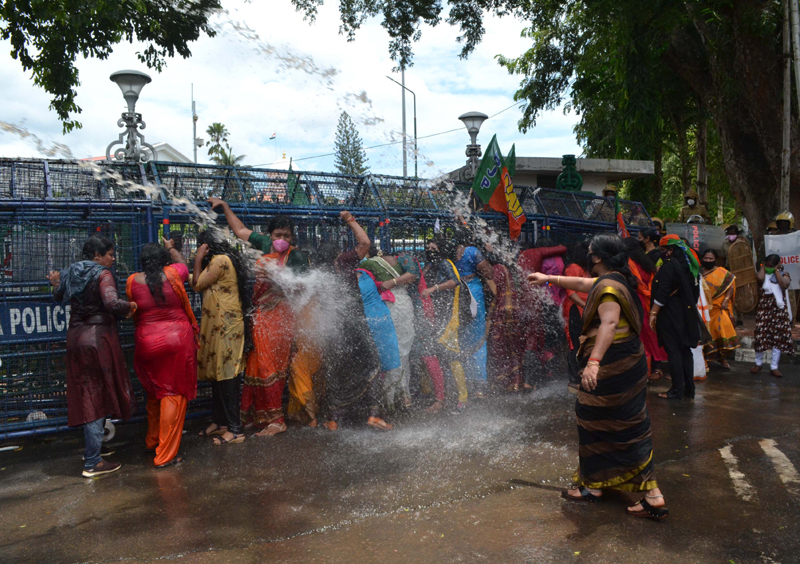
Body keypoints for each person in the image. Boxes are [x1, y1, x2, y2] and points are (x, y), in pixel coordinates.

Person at [528, 234, 669, 520]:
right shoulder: (616, 280)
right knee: (615, 424)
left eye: (590, 252)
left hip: (612, 368)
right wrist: (548, 278)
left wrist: (593, 363)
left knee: (607, 425)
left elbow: (610, 322)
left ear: (597, 258)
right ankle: (595, 484)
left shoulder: (608, 288)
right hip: (626, 365)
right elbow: (584, 284)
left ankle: (647, 494)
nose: (588, 255)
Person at [207, 198, 318, 425]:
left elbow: (303, 287)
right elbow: (239, 230)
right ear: (270, 235)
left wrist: (278, 279)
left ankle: (277, 421)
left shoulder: (295, 256)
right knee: (257, 363)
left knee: (270, 367)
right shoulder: (263, 244)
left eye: (287, 236)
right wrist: (225, 206)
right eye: (278, 235)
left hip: (280, 317)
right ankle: (261, 416)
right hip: (260, 316)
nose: (282, 240)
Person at [47, 236, 136, 477]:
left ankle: (95, 448)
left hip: (75, 336)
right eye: (109, 253)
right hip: (97, 339)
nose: (113, 258)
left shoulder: (70, 272)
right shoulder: (102, 274)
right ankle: (93, 461)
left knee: (89, 391)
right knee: (96, 395)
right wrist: (131, 307)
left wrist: (56, 283)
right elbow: (111, 302)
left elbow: (58, 297)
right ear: (97, 256)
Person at [314, 211, 392, 431]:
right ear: (337, 254)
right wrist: (350, 220)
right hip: (355, 324)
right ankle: (374, 414)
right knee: (372, 365)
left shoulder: (317, 273)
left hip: (334, 329)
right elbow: (365, 242)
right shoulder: (343, 261)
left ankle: (334, 419)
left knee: (337, 370)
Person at [126, 241, 197, 467]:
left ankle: (152, 441)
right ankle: (165, 454)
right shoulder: (174, 273)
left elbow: (133, 308)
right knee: (172, 394)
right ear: (165, 259)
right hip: (177, 341)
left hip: (147, 342)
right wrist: (172, 248)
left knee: (154, 391)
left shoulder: (131, 281)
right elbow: (184, 265)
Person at [192, 229, 248, 446]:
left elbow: (197, 284)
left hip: (226, 327)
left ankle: (235, 430)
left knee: (228, 377)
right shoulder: (219, 261)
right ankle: (221, 422)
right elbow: (197, 279)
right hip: (219, 327)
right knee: (218, 375)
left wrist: (197, 258)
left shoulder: (221, 260)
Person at [361, 248, 417, 409]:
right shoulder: (401, 260)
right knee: (403, 351)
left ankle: (389, 398)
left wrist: (386, 284)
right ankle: (405, 396)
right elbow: (413, 276)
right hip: (405, 305)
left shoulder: (368, 263)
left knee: (390, 351)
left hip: (388, 306)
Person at [650, 235, 702, 400]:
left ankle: (676, 391)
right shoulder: (690, 267)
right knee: (685, 350)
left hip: (670, 313)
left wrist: (653, 313)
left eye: (663, 250)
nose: (661, 254)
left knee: (673, 351)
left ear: (671, 250)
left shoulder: (669, 267)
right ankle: (689, 390)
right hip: (685, 313)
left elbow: (663, 292)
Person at [421, 238, 470, 410]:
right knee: (438, 354)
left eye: (433, 247)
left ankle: (463, 398)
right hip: (437, 316)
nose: (430, 250)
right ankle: (441, 396)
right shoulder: (432, 264)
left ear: (441, 249)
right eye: (428, 247)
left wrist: (433, 289)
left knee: (451, 356)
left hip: (449, 316)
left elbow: (454, 281)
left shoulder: (445, 263)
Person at [518, 239, 567, 390]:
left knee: (533, 339)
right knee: (542, 339)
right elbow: (563, 246)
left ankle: (530, 381)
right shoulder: (549, 257)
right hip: (549, 301)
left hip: (533, 301)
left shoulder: (521, 258)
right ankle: (545, 374)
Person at [453, 231, 497, 397]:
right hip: (472, 292)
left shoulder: (448, 251)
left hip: (454, 293)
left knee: (458, 336)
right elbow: (489, 273)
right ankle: (479, 383)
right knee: (478, 336)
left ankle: (461, 382)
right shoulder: (472, 252)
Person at [623, 238, 667, 381]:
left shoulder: (627, 263)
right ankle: (656, 368)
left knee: (640, 337)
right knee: (652, 335)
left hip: (636, 302)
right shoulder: (647, 263)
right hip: (650, 302)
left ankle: (644, 372)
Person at [487, 254, 525, 392]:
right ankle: (517, 382)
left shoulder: (494, 270)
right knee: (515, 346)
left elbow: (495, 291)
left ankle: (504, 383)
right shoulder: (506, 269)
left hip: (502, 311)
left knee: (500, 346)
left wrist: (486, 282)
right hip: (514, 309)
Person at [751, 255, 793, 378]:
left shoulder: (784, 274)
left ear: (777, 264)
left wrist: (776, 271)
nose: (769, 267)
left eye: (771, 265)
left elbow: (784, 285)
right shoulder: (763, 274)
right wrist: (764, 267)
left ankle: (774, 367)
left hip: (778, 311)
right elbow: (759, 278)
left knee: (777, 338)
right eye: (767, 265)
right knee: (760, 335)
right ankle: (758, 364)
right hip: (764, 310)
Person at [699, 249, 738, 369]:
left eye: (711, 259)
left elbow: (730, 285)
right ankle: (704, 360)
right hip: (702, 308)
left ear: (715, 259)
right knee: (704, 334)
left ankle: (722, 359)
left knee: (721, 332)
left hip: (718, 307)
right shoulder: (698, 272)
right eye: (706, 258)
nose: (708, 260)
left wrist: (726, 301)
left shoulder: (722, 273)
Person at [562, 242, 590, 392]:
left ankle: (581, 376)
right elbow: (570, 293)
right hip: (575, 310)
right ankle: (574, 380)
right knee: (575, 343)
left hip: (585, 309)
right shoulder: (573, 268)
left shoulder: (584, 268)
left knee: (584, 342)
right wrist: (585, 306)